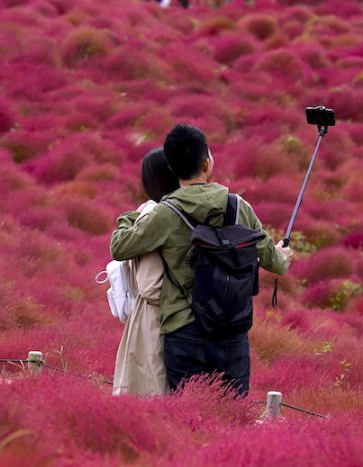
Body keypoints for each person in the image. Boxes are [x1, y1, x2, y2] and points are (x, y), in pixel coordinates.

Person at [110, 124, 291, 398]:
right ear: (207, 162)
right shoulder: (238, 206)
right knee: (232, 419)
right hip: (231, 331)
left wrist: (131, 217)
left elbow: (119, 247)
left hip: (183, 332)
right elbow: (275, 263)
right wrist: (283, 253)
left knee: (187, 419)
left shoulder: (165, 213)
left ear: (172, 168)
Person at [111, 149, 180, 396]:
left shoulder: (154, 214)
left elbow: (150, 286)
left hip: (152, 317)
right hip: (164, 316)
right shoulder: (172, 213)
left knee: (145, 390)